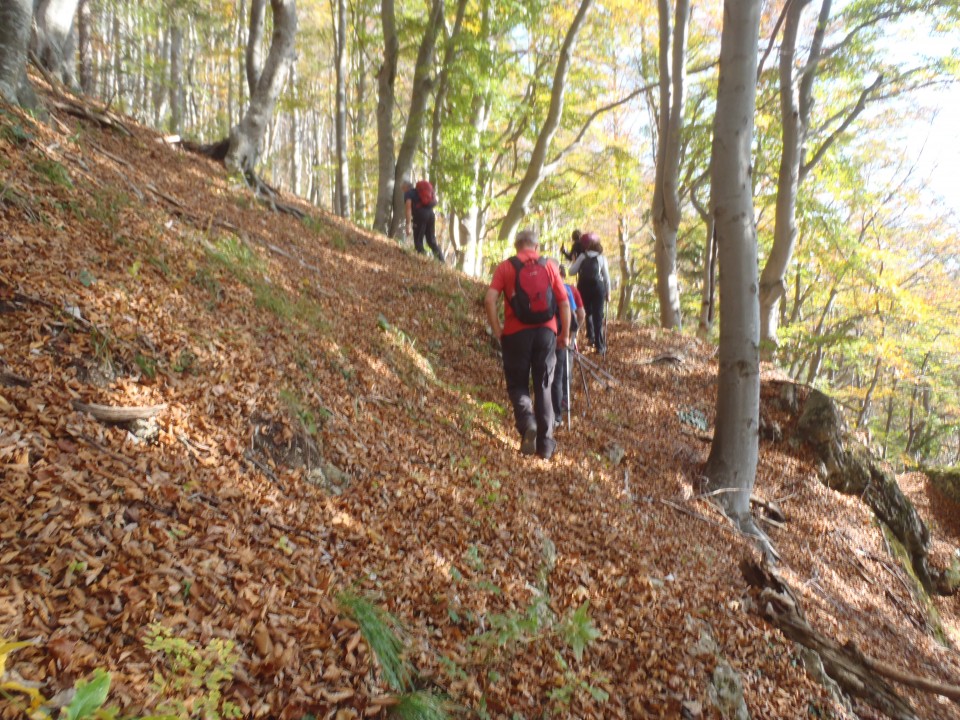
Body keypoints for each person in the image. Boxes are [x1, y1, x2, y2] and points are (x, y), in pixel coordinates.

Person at [485, 230, 571, 460]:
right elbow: (563, 302)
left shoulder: (506, 267)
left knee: (517, 385)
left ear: (516, 246)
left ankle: (527, 422)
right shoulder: (549, 266)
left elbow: (490, 299)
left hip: (515, 334)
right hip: (546, 333)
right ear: (537, 246)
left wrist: (497, 329)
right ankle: (545, 446)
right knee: (544, 385)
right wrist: (564, 335)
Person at [550, 263, 585, 425]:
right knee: (563, 372)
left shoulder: (544, 287)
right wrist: (572, 335)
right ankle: (562, 403)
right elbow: (580, 314)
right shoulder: (570, 289)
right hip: (565, 336)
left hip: (547, 335)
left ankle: (549, 409)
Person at [568, 232, 610, 354]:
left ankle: (590, 337)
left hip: (583, 287)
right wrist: (608, 292)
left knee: (586, 312)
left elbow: (571, 272)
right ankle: (600, 346)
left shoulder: (582, 257)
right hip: (598, 287)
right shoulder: (601, 258)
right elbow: (606, 277)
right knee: (598, 315)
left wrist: (575, 261)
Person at [402, 179, 443, 261]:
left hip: (420, 216)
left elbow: (408, 208)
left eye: (402, 188)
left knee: (418, 241)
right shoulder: (419, 192)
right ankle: (442, 261)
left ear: (406, 187)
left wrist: (408, 224)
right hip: (431, 215)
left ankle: (423, 261)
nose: (402, 190)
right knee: (431, 241)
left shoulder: (409, 193)